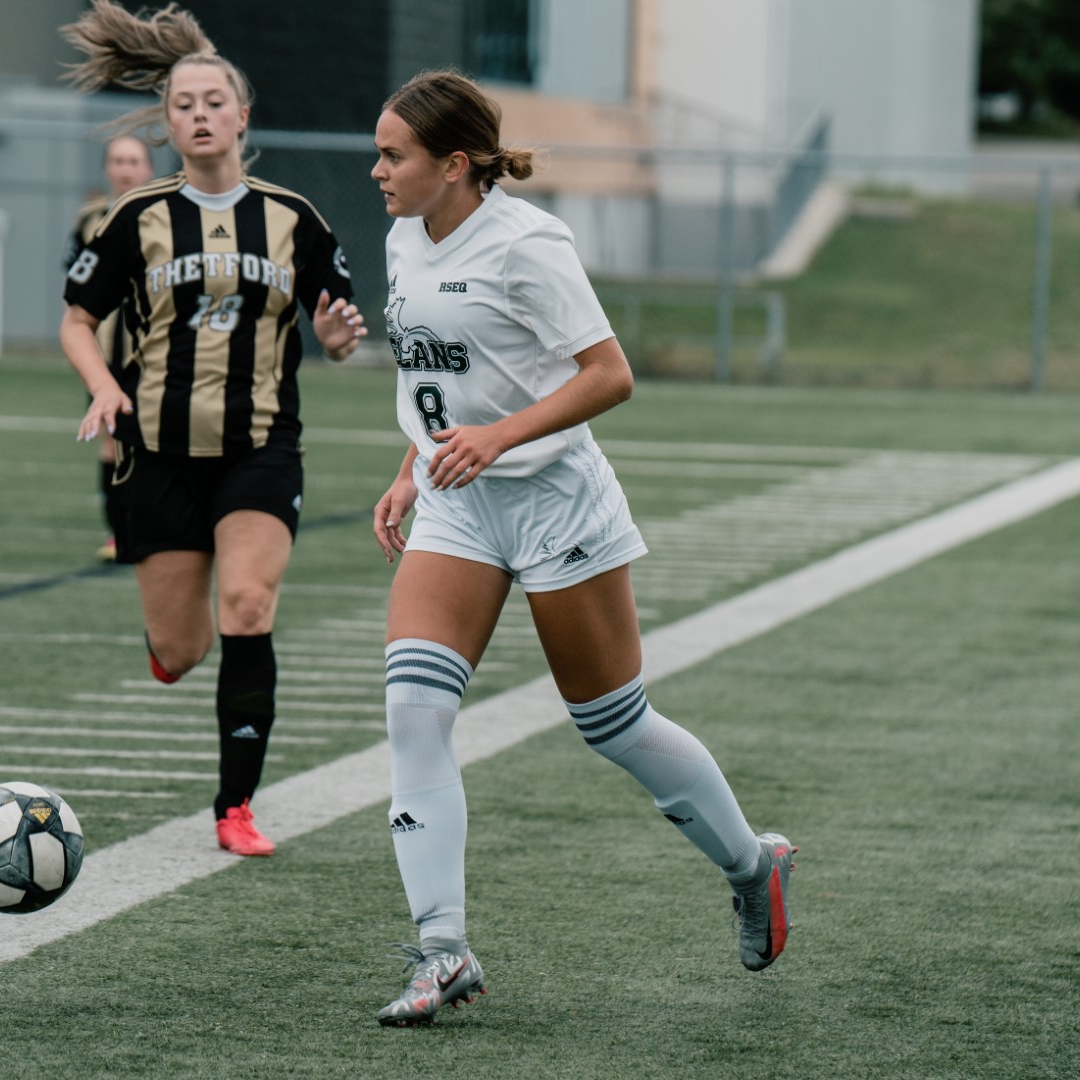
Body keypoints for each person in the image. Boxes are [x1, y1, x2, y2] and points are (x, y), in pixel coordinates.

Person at [366, 69, 795, 1026]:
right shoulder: (403, 236)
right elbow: (445, 376)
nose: (377, 171)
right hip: (458, 503)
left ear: (455, 164)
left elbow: (608, 375)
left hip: (556, 503)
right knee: (412, 711)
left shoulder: (528, 242)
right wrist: (412, 467)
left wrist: (499, 438)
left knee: (612, 724)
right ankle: (442, 949)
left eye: (393, 155)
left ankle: (750, 865)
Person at [57, 0, 368, 858]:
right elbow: (77, 320)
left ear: (241, 116)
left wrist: (337, 337)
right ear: (166, 125)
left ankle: (235, 806)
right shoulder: (136, 218)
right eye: (182, 105)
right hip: (158, 456)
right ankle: (169, 650)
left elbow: (339, 329)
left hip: (260, 451)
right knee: (181, 648)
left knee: (247, 605)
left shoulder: (293, 217)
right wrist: (102, 388)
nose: (198, 115)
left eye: (212, 102)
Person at [65, 135, 155, 561]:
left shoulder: (164, 214)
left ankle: (155, 528)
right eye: (118, 160)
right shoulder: (90, 219)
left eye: (134, 161)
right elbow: (74, 288)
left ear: (148, 168)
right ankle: (119, 534)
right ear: (106, 168)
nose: (125, 169)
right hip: (106, 355)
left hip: (154, 355)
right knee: (111, 443)